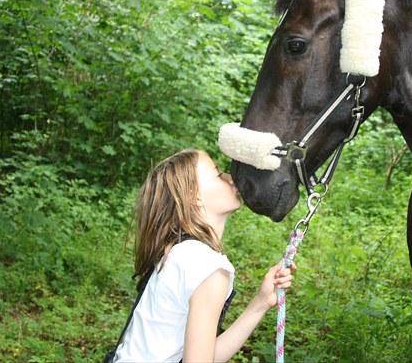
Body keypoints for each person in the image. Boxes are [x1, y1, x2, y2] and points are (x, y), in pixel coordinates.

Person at [112, 148, 296, 362]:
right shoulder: (206, 266)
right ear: (194, 199)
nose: (230, 177)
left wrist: (260, 303)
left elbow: (203, 355)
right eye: (218, 174)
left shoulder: (183, 254)